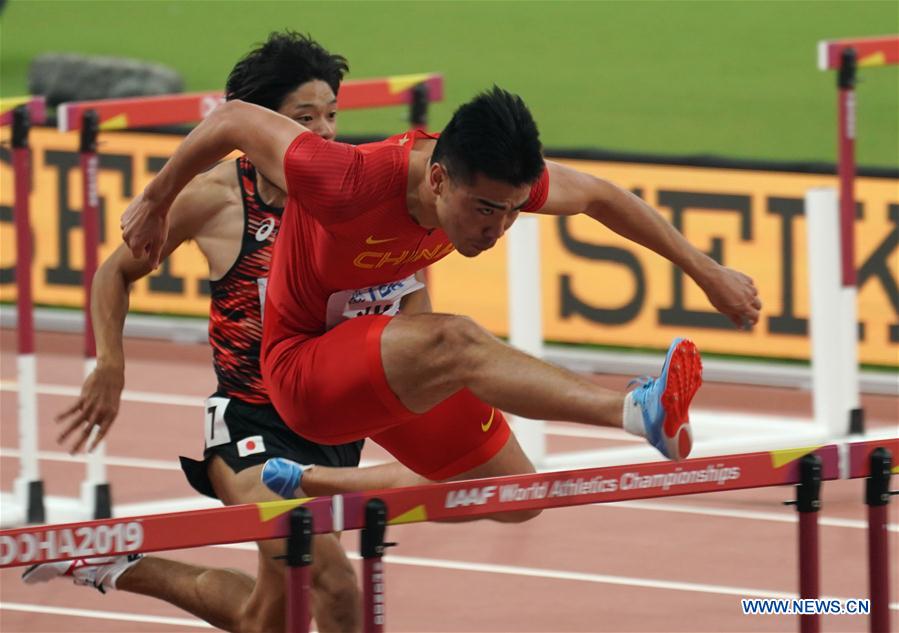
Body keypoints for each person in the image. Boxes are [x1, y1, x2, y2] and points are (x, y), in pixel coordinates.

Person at [120, 85, 762, 512]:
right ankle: (636, 410)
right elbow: (231, 117)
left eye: (512, 212)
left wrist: (706, 273)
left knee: (515, 497)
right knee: (454, 338)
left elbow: (597, 195)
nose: (497, 228)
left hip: (382, 369)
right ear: (437, 178)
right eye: (485, 210)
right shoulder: (345, 178)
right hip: (301, 372)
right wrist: (154, 201)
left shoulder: (499, 185)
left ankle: (309, 482)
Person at [23, 32, 424, 633]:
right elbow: (115, 272)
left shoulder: (361, 194)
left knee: (268, 618)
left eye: (332, 116)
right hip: (249, 425)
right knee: (334, 584)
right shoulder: (214, 199)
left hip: (333, 425)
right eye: (304, 117)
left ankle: (116, 563)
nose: (324, 134)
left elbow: (413, 312)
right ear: (260, 125)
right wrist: (110, 364)